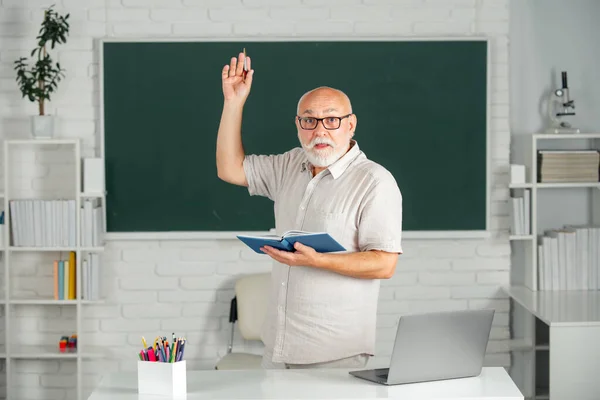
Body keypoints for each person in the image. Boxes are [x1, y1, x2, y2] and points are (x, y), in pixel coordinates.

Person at [216, 52, 403, 369]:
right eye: (309, 120)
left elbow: (384, 264)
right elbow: (230, 168)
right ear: (298, 125)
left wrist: (317, 260)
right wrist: (233, 102)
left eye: (332, 120)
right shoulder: (290, 165)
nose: (320, 131)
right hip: (278, 348)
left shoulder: (374, 182)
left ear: (351, 125)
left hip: (334, 353)